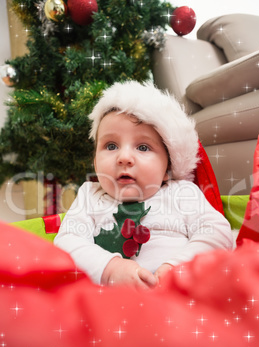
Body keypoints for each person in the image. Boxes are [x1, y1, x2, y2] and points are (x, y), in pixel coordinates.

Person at [54, 81, 233, 289]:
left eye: (143, 147)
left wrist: (178, 267)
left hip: (179, 294)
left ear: (168, 168)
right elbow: (67, 242)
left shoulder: (182, 193)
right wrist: (110, 269)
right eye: (111, 145)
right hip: (112, 302)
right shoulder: (89, 195)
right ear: (95, 162)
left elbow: (217, 233)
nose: (124, 157)